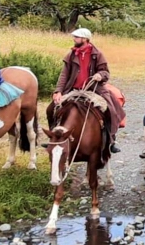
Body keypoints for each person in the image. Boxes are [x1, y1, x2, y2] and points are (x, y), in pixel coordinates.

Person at [52, 28, 121, 156]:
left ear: (85, 39)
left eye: (77, 37)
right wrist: (58, 91)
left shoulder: (97, 54)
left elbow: (105, 72)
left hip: (94, 89)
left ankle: (111, 140)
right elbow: (64, 75)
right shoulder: (71, 54)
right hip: (73, 90)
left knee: (111, 109)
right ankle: (55, 137)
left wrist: (100, 75)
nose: (74, 39)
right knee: (52, 108)